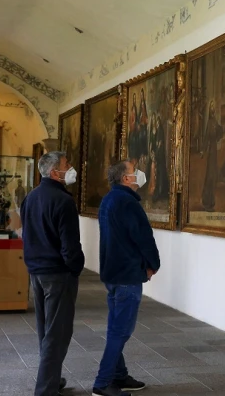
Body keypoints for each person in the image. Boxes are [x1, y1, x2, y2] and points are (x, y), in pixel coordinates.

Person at [92, 160, 161, 396]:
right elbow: (143, 237)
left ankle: (119, 376)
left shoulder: (109, 199)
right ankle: (102, 385)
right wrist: (153, 264)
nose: (138, 174)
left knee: (115, 326)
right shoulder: (127, 202)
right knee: (120, 331)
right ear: (125, 179)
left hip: (112, 272)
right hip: (126, 274)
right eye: (134, 171)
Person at [20, 151, 84, 396]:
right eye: (67, 165)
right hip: (58, 273)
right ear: (55, 171)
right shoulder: (63, 201)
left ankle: (52, 379)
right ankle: (46, 389)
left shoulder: (31, 197)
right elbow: (70, 246)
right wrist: (76, 267)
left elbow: (28, 235)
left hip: (36, 271)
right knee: (57, 333)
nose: (71, 168)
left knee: (46, 329)